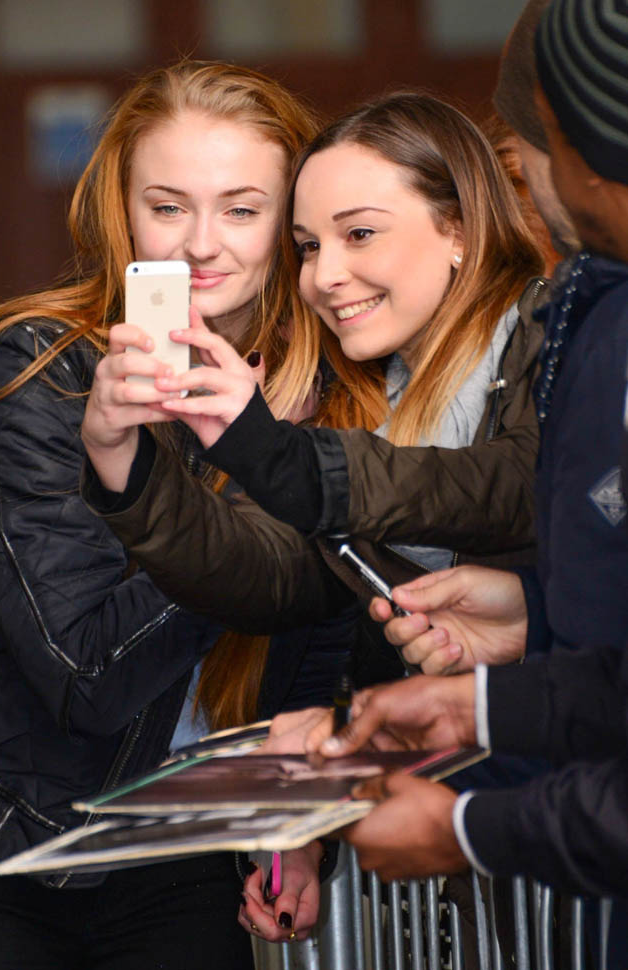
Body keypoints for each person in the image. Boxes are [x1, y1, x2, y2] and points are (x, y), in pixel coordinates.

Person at [0, 60, 355, 969]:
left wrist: (297, 825)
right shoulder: (29, 369)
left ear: (289, 224)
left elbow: (316, 638)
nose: (201, 245)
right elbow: (84, 675)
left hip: (181, 851)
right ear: (120, 212)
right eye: (168, 206)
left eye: (242, 210)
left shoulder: (324, 392)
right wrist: (251, 475)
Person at [305, 0, 628, 909]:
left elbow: (496, 486)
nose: (520, 169)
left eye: (526, 143)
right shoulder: (597, 310)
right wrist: (482, 691)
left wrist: (470, 831)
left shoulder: (575, 325)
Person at [81, 91, 545, 661]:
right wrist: (122, 459)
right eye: (308, 246)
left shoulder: (555, 332)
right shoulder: (372, 387)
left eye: (360, 234)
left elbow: (518, 484)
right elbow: (270, 581)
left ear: (459, 231)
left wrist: (273, 452)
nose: (323, 276)